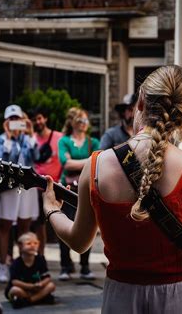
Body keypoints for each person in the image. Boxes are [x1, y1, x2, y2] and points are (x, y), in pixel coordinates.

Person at [43, 65, 182, 312]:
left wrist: (52, 210)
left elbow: (79, 241)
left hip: (121, 298)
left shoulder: (95, 166)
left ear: (140, 102)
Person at [0, 104, 40, 284]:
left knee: (24, 225)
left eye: (17, 119)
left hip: (27, 187)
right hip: (9, 186)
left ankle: (22, 265)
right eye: (11, 119)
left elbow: (36, 156)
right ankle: (4, 264)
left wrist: (30, 133)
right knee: (5, 225)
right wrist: (8, 137)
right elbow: (4, 160)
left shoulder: (28, 138)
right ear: (6, 121)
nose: (14, 123)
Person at [57, 107, 99, 280]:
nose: (83, 124)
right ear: (72, 121)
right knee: (65, 222)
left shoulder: (93, 141)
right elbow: (66, 164)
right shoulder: (64, 140)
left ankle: (85, 266)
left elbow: (98, 160)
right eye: (80, 120)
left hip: (85, 187)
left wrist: (80, 162)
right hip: (67, 187)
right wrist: (89, 161)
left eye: (85, 120)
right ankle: (65, 266)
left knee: (87, 224)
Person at [30, 107, 64, 256]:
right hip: (35, 187)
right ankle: (40, 256)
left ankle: (63, 260)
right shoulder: (30, 139)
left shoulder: (59, 137)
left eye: (39, 118)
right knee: (38, 224)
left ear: (45, 119)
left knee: (58, 221)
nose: (37, 122)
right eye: (34, 120)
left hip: (56, 186)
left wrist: (61, 182)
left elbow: (63, 161)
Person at [5, 232, 56, 309]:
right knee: (15, 290)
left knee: (51, 286)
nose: (33, 246)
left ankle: (29, 301)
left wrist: (41, 284)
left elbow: (47, 277)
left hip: (36, 288)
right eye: (29, 244)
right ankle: (39, 298)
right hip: (23, 288)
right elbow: (14, 281)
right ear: (20, 246)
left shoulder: (40, 260)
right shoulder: (16, 263)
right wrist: (31, 286)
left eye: (35, 243)